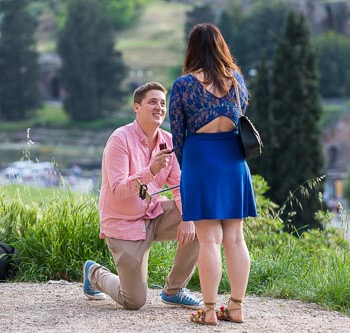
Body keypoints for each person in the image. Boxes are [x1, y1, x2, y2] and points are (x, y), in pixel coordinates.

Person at [83, 81, 203, 311]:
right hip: (123, 223)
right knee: (134, 301)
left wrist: (188, 218)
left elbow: (179, 184)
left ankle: (174, 290)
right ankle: (94, 273)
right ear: (136, 107)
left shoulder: (169, 141)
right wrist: (151, 171)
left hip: (153, 214)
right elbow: (117, 190)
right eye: (152, 102)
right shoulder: (119, 139)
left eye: (162, 103)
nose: (159, 107)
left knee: (200, 215)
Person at [168, 23, 257, 325]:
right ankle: (236, 306)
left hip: (201, 159)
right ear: (221, 46)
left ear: (192, 48)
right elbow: (242, 114)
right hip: (233, 159)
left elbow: (178, 136)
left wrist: (189, 167)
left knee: (209, 240)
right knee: (235, 238)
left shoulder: (182, 85)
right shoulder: (237, 81)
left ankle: (208, 310)